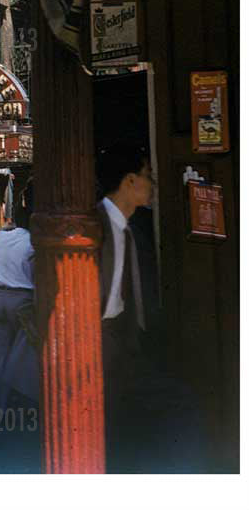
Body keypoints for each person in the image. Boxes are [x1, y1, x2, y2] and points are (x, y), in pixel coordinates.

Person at [97, 143, 205, 472]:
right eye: (148, 176)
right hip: (102, 346)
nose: (153, 184)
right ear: (130, 181)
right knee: (180, 405)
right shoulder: (95, 225)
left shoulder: (130, 232)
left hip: (126, 344)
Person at [0, 182, 39, 409]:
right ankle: (20, 401)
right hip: (22, 300)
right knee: (20, 356)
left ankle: (1, 402)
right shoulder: (34, 243)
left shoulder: (1, 238)